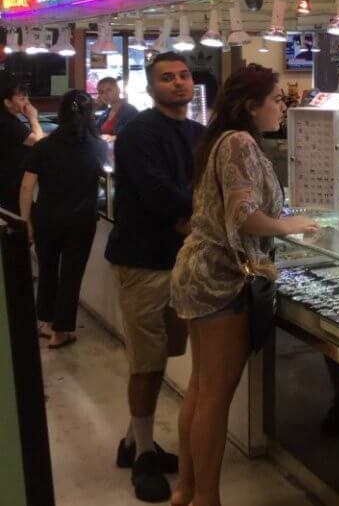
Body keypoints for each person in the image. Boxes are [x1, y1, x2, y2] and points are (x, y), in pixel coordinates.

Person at [169, 65, 318, 506]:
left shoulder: (221, 139)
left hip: (201, 271)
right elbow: (243, 215)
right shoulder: (239, 142)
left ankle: (186, 490)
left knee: (201, 388)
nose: (283, 106)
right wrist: (287, 225)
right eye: (277, 98)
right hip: (222, 277)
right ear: (251, 106)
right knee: (215, 395)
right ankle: (206, 498)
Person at [105, 52, 205, 502]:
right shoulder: (138, 133)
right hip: (142, 263)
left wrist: (196, 214)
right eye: (167, 78)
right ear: (150, 88)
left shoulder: (198, 133)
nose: (178, 83)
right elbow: (157, 192)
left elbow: (204, 188)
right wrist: (198, 213)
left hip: (181, 262)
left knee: (165, 352)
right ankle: (145, 454)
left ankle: (133, 442)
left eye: (183, 76)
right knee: (146, 364)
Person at [20, 90, 108, 347]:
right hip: (81, 221)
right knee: (71, 274)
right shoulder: (99, 146)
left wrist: (25, 221)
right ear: (90, 115)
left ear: (60, 114)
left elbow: (26, 186)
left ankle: (46, 322)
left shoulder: (43, 146)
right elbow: (106, 177)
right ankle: (62, 331)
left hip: (47, 219)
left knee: (47, 270)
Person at [0, 83, 44, 215]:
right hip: (10, 182)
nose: (27, 103)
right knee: (20, 217)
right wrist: (33, 118)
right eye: (22, 99)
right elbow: (39, 142)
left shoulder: (9, 118)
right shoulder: (7, 122)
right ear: (8, 102)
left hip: (9, 179)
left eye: (27, 98)